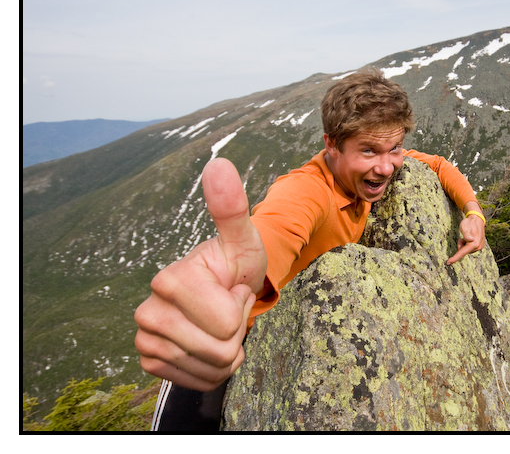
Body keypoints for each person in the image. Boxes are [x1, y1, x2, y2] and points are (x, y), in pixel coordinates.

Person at [134, 68, 486, 431]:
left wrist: (473, 212)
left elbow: (438, 165)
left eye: (394, 148)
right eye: (368, 150)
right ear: (331, 144)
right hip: (222, 342)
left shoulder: (372, 168)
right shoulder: (308, 192)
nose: (386, 166)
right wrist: (223, 282)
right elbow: (274, 229)